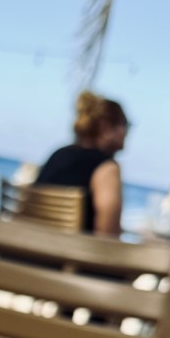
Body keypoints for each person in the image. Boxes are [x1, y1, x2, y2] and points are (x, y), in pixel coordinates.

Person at [34, 91, 130, 236]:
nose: (126, 132)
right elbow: (107, 238)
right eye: (125, 125)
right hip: (67, 256)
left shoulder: (58, 154)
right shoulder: (107, 168)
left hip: (28, 250)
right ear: (106, 128)